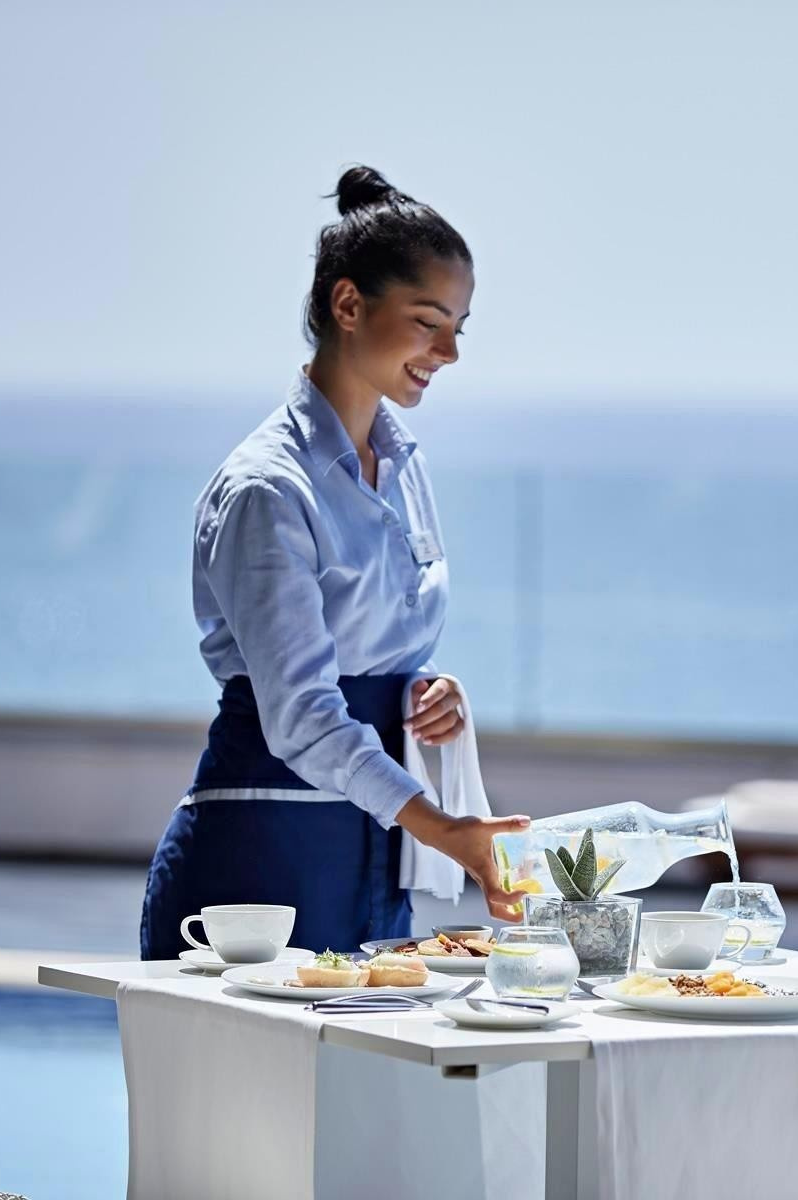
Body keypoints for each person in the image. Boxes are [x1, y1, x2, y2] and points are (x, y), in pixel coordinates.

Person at [139, 165, 527, 960]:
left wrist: (425, 693)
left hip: (373, 846)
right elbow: (303, 715)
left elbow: (371, 647)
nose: (449, 351)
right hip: (263, 854)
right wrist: (445, 829)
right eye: (428, 321)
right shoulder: (267, 490)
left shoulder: (404, 466)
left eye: (459, 327)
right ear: (348, 305)